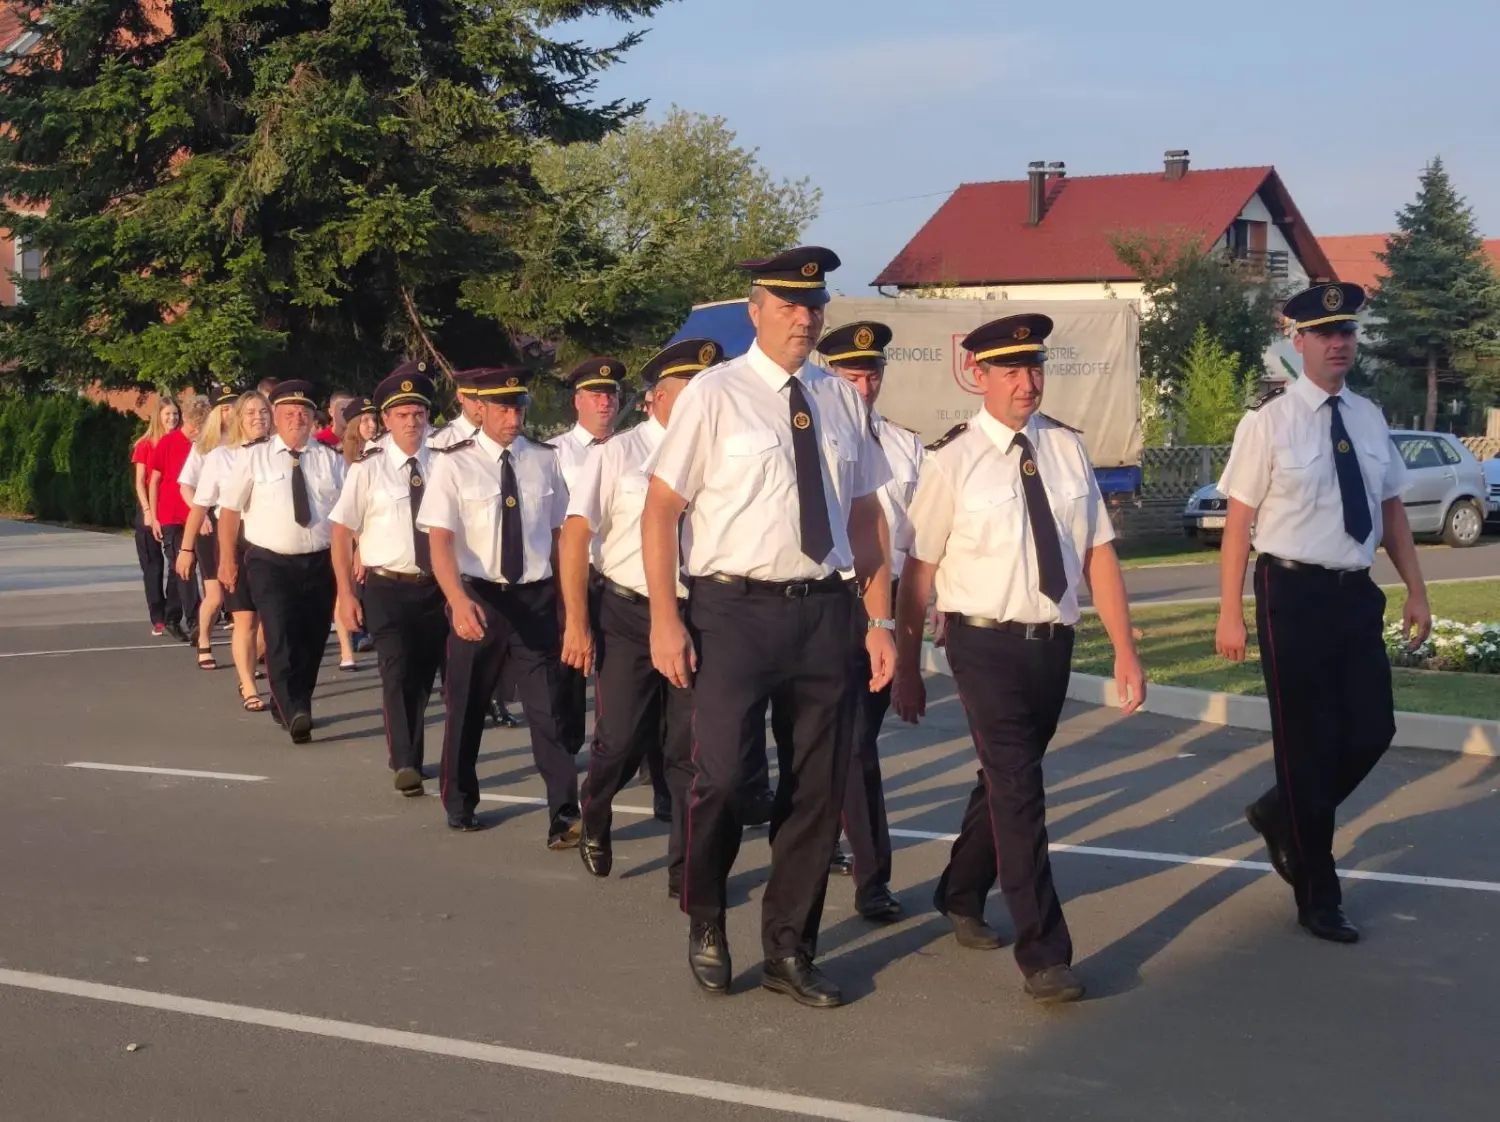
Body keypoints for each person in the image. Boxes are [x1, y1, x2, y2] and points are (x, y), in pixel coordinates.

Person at [643, 246, 896, 1008]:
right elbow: (661, 511)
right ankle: (708, 916)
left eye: (813, 306)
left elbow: (863, 510)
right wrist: (665, 618)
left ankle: (790, 946)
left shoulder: (839, 396)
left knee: (818, 790)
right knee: (720, 777)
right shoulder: (715, 395)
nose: (804, 318)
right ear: (756, 311)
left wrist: (878, 617)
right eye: (788, 305)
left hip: (826, 610)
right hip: (733, 611)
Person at [891, 313, 1145, 1005]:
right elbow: (919, 571)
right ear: (979, 376)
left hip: (1051, 643)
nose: (1026, 382)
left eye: (1034, 367)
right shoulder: (953, 461)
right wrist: (908, 664)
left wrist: (1125, 649)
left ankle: (959, 889)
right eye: (1010, 370)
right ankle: (1044, 952)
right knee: (1021, 788)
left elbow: (1096, 552)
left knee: (1009, 779)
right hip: (982, 642)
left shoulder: (1066, 450)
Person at [1216, 282, 1431, 944]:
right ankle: (1319, 894)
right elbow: (1239, 522)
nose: (1340, 344)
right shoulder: (1268, 422)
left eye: (1348, 333)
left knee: (1372, 729)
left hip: (1354, 592)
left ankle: (1282, 812)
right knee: (1306, 748)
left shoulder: (1368, 417)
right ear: (1298, 341)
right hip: (1292, 594)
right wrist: (1229, 611)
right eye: (1326, 334)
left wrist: (1417, 590)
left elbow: (1391, 510)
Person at [562, 339, 724, 893]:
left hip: (696, 611)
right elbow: (576, 536)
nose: (702, 401)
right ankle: (597, 814)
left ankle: (685, 869)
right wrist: (577, 622)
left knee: (687, 748)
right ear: (655, 399)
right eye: (688, 392)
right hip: (627, 612)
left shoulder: (719, 452)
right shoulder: (617, 455)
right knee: (620, 737)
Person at [416, 367, 579, 845]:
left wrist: (570, 604)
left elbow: (558, 536)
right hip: (480, 596)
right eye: (504, 408)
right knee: (466, 706)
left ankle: (564, 815)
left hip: (535, 596)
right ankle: (461, 800)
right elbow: (440, 541)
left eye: (519, 407)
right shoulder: (453, 463)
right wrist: (457, 599)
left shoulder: (543, 460)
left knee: (549, 711)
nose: (513, 417)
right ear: (479, 408)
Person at [813, 320, 919, 922]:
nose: (864, 382)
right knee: (831, 741)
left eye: (872, 371)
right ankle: (844, 858)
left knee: (858, 742)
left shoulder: (905, 446)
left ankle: (865, 869)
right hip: (827, 599)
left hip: (885, 601)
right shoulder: (814, 435)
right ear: (830, 373)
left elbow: (923, 538)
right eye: (852, 372)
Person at [332, 368, 447, 797]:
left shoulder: (447, 462)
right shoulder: (368, 469)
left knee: (431, 678)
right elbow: (342, 532)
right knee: (397, 672)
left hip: (439, 587)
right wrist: (345, 593)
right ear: (386, 420)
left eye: (418, 412)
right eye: (401, 414)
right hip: (388, 587)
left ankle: (429, 753)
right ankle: (405, 761)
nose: (412, 421)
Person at [217, 381, 346, 744]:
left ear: (313, 418)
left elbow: (349, 515)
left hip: (320, 561)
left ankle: (295, 700)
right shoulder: (252, 457)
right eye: (289, 413)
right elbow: (228, 513)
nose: (297, 420)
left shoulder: (330, 459)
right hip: (269, 562)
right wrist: (227, 560)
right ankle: (293, 709)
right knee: (279, 633)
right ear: (275, 417)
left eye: (304, 414)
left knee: (314, 637)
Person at [551, 356, 625, 761]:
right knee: (570, 665)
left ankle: (629, 751)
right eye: (596, 395)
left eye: (611, 395)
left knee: (624, 670)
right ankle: (565, 749)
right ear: (577, 400)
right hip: (574, 571)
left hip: (619, 575)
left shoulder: (630, 449)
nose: (605, 403)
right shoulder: (555, 454)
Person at [182, 391, 272, 711]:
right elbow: (200, 505)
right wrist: (186, 548)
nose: (258, 418)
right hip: (234, 540)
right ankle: (248, 685)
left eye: (264, 411)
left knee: (268, 621)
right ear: (237, 419)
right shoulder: (221, 456)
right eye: (250, 413)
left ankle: (255, 660)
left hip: (272, 542)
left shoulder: (281, 453)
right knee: (244, 617)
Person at [175, 390, 237, 670]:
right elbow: (186, 485)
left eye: (233, 407)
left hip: (239, 523)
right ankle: (204, 640)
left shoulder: (247, 443)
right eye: (224, 409)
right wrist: (198, 517)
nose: (229, 413)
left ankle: (249, 650)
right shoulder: (204, 446)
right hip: (209, 521)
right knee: (216, 595)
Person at [150, 393, 207, 644]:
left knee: (179, 568)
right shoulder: (168, 442)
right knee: (186, 568)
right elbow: (154, 480)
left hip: (193, 516)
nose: (198, 430)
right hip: (171, 516)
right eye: (197, 425)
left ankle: (172, 617)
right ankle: (195, 620)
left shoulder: (204, 446)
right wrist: (152, 516)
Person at [334, 397, 380, 672]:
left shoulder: (383, 451)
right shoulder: (343, 459)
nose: (371, 425)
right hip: (348, 533)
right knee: (345, 589)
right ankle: (345, 649)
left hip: (372, 534)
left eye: (374, 419)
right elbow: (343, 510)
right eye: (364, 420)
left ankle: (365, 630)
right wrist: (356, 545)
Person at [132, 397, 178, 636]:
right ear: (158, 417)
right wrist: (148, 511)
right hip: (149, 510)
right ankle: (157, 617)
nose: (172, 419)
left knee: (176, 564)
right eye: (167, 414)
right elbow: (140, 482)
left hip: (171, 510)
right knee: (153, 567)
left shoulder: (180, 443)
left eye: (175, 414)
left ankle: (173, 613)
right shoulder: (145, 445)